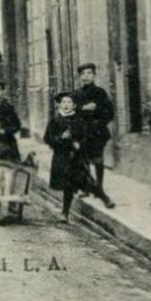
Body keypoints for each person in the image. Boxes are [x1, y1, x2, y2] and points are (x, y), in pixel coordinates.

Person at [44, 91, 115, 221]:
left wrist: (79, 144)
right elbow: (48, 139)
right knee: (67, 185)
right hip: (62, 157)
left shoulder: (79, 120)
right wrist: (61, 138)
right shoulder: (55, 121)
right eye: (63, 102)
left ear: (74, 105)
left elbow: (86, 136)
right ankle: (65, 213)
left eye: (69, 102)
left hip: (77, 157)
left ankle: (104, 197)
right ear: (59, 104)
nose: (66, 105)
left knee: (86, 181)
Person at [73, 62, 115, 196]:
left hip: (96, 132)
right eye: (83, 74)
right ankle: (86, 187)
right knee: (83, 160)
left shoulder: (100, 93)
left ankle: (100, 187)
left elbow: (110, 112)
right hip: (81, 132)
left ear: (94, 76)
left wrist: (97, 109)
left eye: (89, 73)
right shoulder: (76, 94)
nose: (86, 76)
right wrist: (82, 108)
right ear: (79, 77)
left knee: (98, 159)